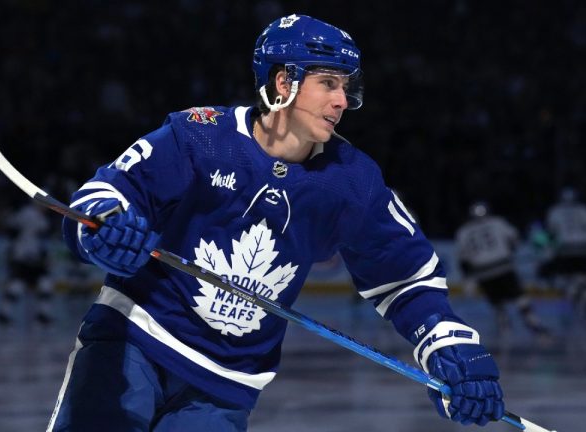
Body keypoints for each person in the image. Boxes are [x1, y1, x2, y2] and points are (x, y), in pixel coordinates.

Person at [50, 15, 505, 431]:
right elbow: (106, 195)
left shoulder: (352, 181)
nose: (342, 101)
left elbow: (406, 279)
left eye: (346, 87)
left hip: (224, 384)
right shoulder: (200, 134)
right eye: (328, 83)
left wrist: (449, 346)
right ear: (283, 82)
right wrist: (107, 228)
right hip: (133, 341)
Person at [455, 202, 550, 340]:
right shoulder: (498, 222)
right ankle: (532, 322)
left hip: (482, 271)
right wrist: (509, 251)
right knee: (519, 297)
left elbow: (463, 258)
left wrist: (468, 278)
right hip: (503, 266)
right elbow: (514, 238)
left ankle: (503, 322)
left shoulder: (463, 231)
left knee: (496, 301)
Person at [544, 187, 586, 320]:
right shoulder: (585, 210)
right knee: (583, 273)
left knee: (568, 276)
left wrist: (549, 249)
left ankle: (576, 297)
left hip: (565, 246)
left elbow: (551, 231)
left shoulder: (555, 211)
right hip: (585, 245)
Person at [0, 202, 54, 325]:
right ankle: (42, 314)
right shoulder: (36, 217)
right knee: (34, 283)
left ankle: (5, 313)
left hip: (23, 255)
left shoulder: (23, 213)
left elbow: (11, 228)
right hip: (27, 256)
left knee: (23, 283)